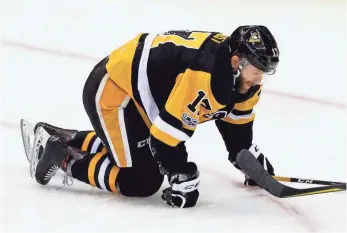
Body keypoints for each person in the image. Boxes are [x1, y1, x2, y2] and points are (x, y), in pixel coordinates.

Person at [31, 25, 279, 208]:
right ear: (236, 62)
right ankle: (61, 155)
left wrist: (245, 155)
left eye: (263, 72)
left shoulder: (236, 75)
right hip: (114, 90)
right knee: (141, 181)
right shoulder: (205, 78)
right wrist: (181, 176)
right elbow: (163, 139)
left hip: (138, 93)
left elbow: (235, 118)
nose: (258, 80)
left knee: (140, 157)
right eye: (256, 71)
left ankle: (68, 137)